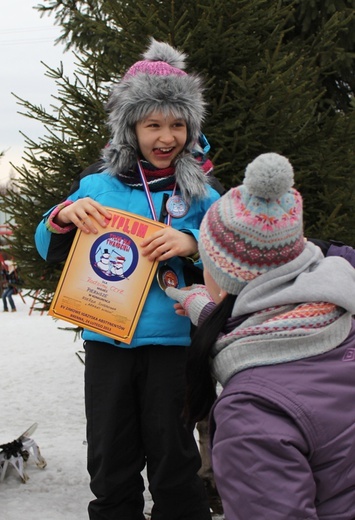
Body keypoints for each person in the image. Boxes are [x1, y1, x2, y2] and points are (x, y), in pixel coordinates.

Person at [35, 38, 221, 520]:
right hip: (107, 341)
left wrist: (192, 242)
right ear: (129, 128)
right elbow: (49, 247)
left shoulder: (200, 192)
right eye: (152, 124)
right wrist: (64, 214)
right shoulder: (98, 184)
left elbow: (233, 253)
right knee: (110, 457)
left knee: (174, 458)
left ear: (190, 126)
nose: (166, 136)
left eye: (177, 124)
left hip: (173, 346)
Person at [165, 152, 355, 520]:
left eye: (206, 261)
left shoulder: (250, 413)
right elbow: (278, 332)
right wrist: (210, 313)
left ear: (222, 277)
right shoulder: (341, 317)